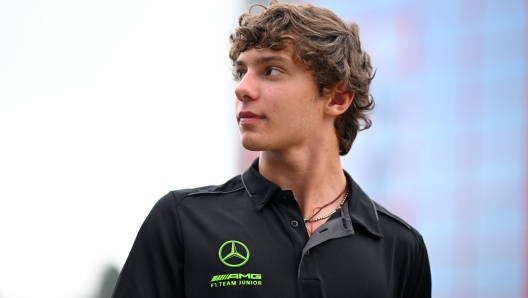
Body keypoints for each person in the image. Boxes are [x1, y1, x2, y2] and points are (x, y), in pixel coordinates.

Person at [111, 1, 432, 297]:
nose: (242, 88)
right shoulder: (182, 221)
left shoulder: (402, 247)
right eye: (241, 72)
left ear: (337, 97)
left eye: (271, 70)